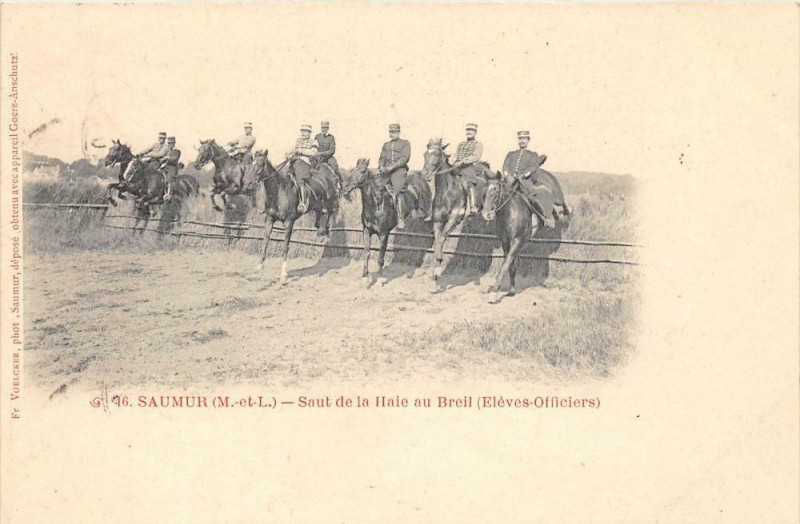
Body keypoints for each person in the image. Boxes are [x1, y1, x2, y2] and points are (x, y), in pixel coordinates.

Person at [502, 130, 552, 227]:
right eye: (520, 139)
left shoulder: (532, 155)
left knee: (531, 197)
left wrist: (523, 175)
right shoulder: (511, 154)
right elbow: (505, 166)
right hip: (509, 181)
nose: (522, 141)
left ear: (528, 140)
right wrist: (507, 175)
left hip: (524, 181)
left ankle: (544, 217)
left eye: (524, 139)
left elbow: (532, 167)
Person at [378, 123, 411, 228]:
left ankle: (400, 218)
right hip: (386, 171)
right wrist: (381, 166)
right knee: (376, 188)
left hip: (399, 170)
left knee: (397, 191)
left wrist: (392, 167)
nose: (392, 134)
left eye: (394, 132)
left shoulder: (405, 143)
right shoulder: (386, 145)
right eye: (391, 132)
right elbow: (382, 158)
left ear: (399, 132)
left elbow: (405, 158)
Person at [453, 122, 485, 217]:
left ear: (475, 132)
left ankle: (473, 206)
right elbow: (456, 155)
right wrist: (452, 161)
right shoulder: (461, 144)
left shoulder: (478, 144)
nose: (469, 132)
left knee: (469, 184)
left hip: (468, 168)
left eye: (471, 130)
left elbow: (476, 157)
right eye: (467, 130)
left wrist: (463, 161)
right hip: (456, 167)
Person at [286, 124, 319, 212]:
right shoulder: (298, 141)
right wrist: (288, 154)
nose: (303, 133)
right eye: (302, 131)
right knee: (286, 177)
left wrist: (301, 151)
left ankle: (302, 202)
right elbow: (292, 149)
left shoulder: (314, 141)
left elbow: (313, 153)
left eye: (305, 131)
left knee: (300, 180)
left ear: (309, 133)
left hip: (304, 162)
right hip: (294, 162)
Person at [160, 136, 181, 200]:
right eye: (168, 143)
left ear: (174, 143)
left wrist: (166, 158)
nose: (169, 145)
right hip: (164, 167)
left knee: (169, 179)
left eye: (171, 143)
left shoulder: (177, 151)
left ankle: (169, 194)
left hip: (172, 167)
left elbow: (174, 158)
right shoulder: (167, 151)